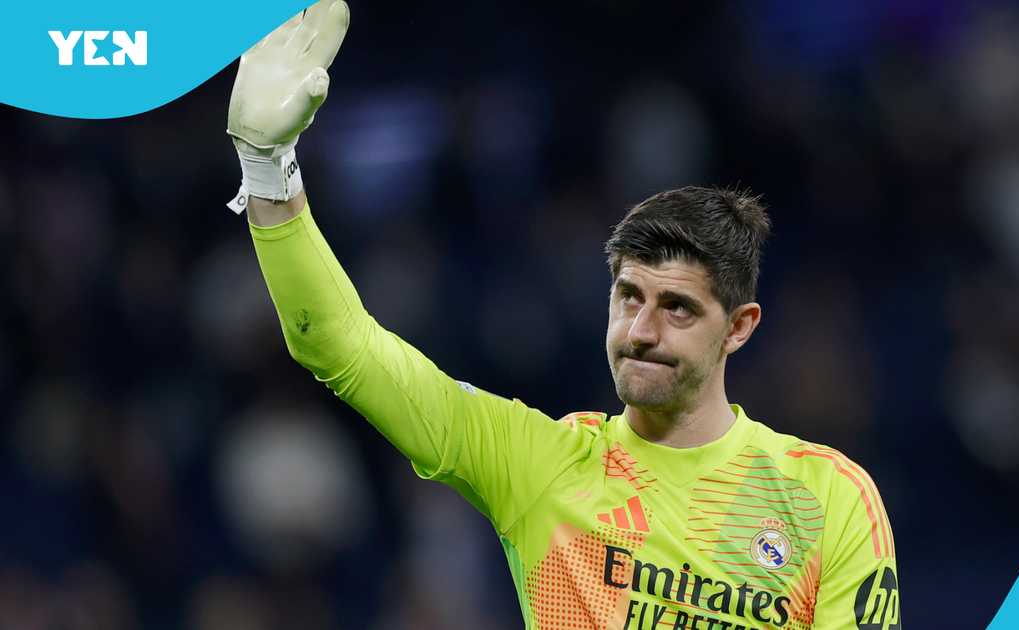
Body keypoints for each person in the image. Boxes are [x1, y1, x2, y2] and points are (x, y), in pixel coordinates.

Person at [224, 2, 901, 628]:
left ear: (738, 327)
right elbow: (338, 344)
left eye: (677, 308)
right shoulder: (543, 468)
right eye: (629, 297)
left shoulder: (826, 498)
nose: (641, 331)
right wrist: (267, 167)